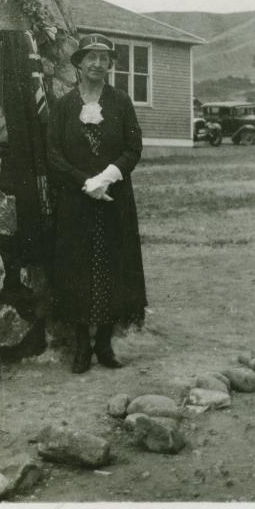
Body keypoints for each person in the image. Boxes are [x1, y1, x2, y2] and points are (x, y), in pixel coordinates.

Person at [47, 33, 146, 373]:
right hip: (76, 203)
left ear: (110, 65)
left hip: (113, 200)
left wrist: (105, 178)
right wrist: (85, 183)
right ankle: (80, 347)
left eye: (104, 59)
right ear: (79, 63)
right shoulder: (63, 107)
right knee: (77, 269)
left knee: (113, 266)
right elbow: (53, 154)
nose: (98, 64)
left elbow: (134, 148)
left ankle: (105, 344)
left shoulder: (121, 102)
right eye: (91, 57)